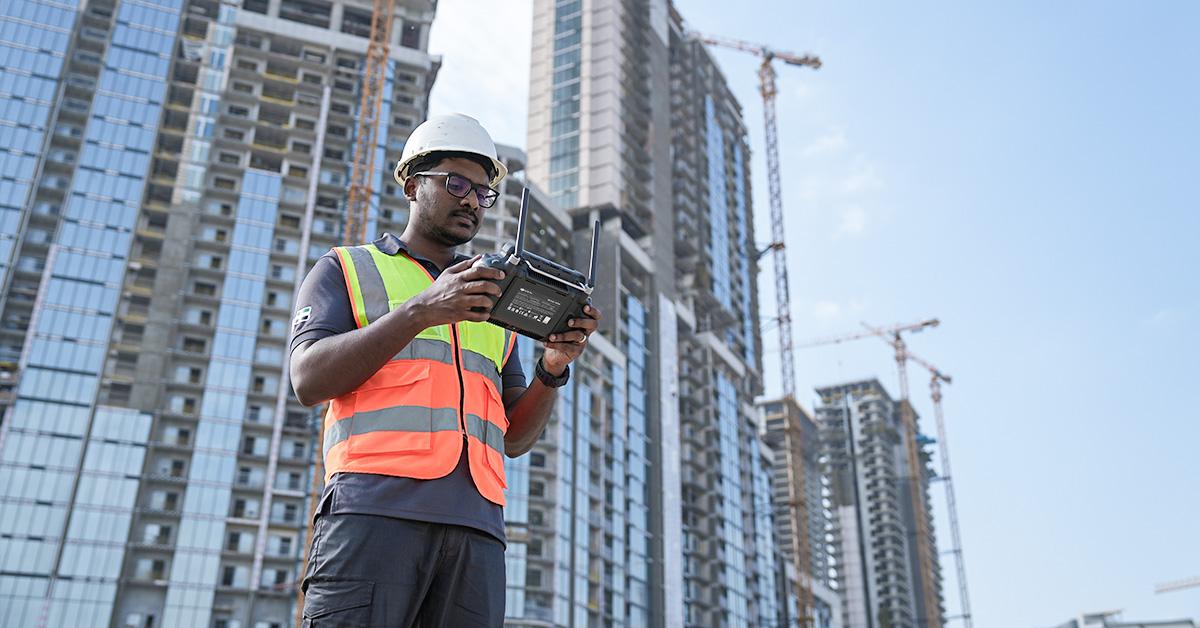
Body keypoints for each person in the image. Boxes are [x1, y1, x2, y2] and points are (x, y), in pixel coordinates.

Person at [289, 113, 600, 626]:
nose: (471, 200)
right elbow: (308, 380)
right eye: (456, 183)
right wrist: (422, 310)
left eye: (483, 193)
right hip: (373, 511)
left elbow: (513, 438)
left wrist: (552, 368)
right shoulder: (345, 269)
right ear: (413, 185)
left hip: (477, 529)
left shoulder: (493, 306)